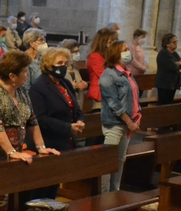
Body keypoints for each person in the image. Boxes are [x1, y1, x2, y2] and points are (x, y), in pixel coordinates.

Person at [0, 51, 60, 171]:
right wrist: (11, 152)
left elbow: (32, 120)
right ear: (12, 76)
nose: (27, 74)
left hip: (12, 150)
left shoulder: (21, 90)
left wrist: (41, 147)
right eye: (24, 72)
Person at [29, 48, 86, 198]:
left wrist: (80, 120)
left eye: (65, 63)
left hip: (65, 140)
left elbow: (75, 107)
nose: (63, 67)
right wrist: (68, 127)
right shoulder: (38, 87)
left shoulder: (65, 83)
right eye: (59, 63)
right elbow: (40, 118)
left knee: (55, 183)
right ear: (48, 65)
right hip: (49, 141)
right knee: (43, 186)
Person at [99, 41, 141, 192]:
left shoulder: (127, 72)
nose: (128, 52)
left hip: (127, 123)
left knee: (119, 160)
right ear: (116, 53)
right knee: (108, 160)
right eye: (124, 50)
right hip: (115, 123)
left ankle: (114, 192)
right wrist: (129, 122)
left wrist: (138, 115)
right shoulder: (108, 75)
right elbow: (114, 103)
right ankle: (103, 195)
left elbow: (134, 96)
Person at [86, 28, 116, 110]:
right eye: (110, 43)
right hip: (99, 93)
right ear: (102, 43)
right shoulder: (95, 57)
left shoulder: (107, 56)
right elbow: (104, 75)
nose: (112, 45)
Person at [155, 33, 181, 105]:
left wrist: (180, 63)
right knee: (163, 104)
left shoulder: (174, 53)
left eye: (176, 42)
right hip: (165, 83)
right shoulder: (164, 53)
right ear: (167, 44)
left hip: (172, 83)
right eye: (174, 42)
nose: (176, 44)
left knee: (170, 103)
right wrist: (178, 64)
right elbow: (173, 66)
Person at [59, 38, 89, 107]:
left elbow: (79, 81)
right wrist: (71, 86)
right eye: (75, 52)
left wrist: (85, 84)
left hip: (78, 102)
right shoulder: (61, 68)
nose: (77, 54)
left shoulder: (75, 66)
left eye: (78, 51)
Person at [21, 28, 47, 94]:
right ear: (32, 43)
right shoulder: (23, 60)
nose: (44, 42)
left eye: (44, 39)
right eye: (41, 40)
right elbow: (25, 88)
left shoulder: (41, 58)